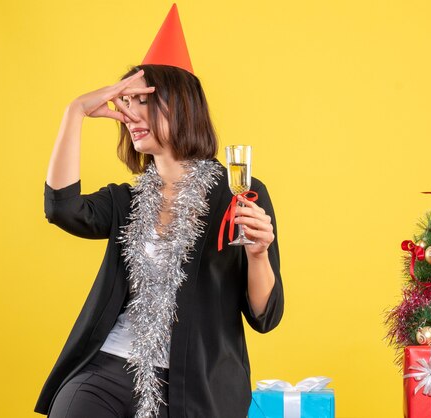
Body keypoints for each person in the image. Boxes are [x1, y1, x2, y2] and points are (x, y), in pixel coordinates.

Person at [34, 5, 284, 418]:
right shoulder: (127, 201)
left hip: (198, 382)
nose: (128, 114)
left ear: (181, 105)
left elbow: (264, 315)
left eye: (143, 102)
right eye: (124, 103)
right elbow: (62, 208)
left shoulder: (240, 195)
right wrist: (75, 112)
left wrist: (258, 254)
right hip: (109, 372)